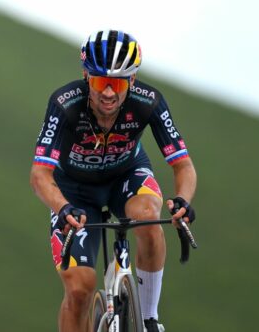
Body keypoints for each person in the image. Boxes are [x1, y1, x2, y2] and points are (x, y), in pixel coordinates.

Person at [29, 30, 197, 332]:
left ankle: (149, 319)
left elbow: (183, 164)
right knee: (80, 290)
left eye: (117, 83)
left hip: (126, 176)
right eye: (99, 82)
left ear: (132, 81)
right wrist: (62, 207)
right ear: (85, 76)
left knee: (147, 217)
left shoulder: (149, 102)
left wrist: (183, 200)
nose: (108, 92)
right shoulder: (64, 103)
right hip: (74, 192)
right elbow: (40, 175)